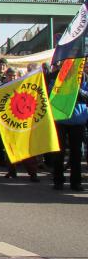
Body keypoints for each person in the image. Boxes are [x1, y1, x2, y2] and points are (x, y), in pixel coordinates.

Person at [51, 62, 88, 191]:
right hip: (61, 120)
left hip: (78, 122)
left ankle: (76, 182)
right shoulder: (59, 78)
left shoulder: (85, 79)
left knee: (76, 154)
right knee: (59, 152)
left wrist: (78, 91)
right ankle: (58, 180)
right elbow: (51, 94)